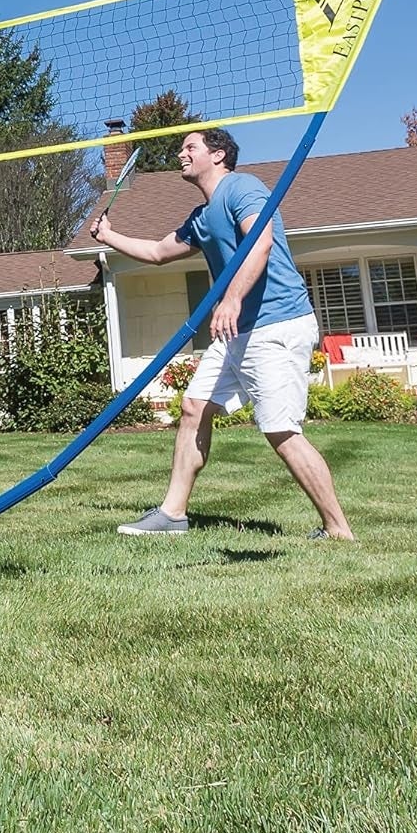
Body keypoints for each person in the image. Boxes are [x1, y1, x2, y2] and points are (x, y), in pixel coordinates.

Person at [92, 127, 354, 540]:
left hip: (275, 324)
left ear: (218, 155)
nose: (181, 154)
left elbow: (261, 241)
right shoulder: (202, 217)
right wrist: (110, 237)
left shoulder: (241, 187)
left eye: (189, 147)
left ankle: (338, 528)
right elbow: (160, 252)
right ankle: (173, 514)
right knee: (194, 407)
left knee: (280, 430)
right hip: (237, 333)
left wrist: (231, 299)